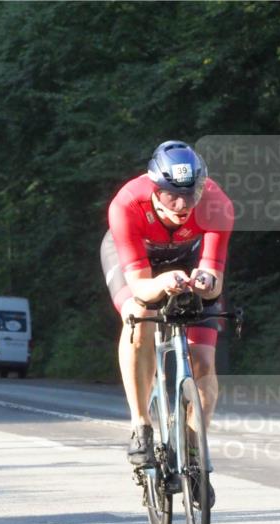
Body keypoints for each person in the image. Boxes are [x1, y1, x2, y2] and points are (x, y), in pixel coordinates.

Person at [101, 141, 234, 481]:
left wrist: (206, 281)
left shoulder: (217, 204)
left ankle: (192, 444)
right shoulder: (127, 204)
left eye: (191, 194)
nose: (182, 205)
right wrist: (161, 284)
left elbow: (215, 281)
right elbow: (143, 288)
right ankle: (141, 425)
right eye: (171, 195)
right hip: (138, 262)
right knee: (137, 315)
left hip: (189, 258)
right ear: (154, 190)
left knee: (204, 360)